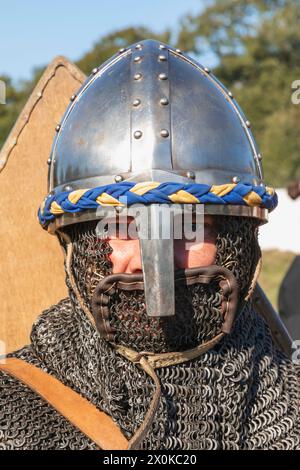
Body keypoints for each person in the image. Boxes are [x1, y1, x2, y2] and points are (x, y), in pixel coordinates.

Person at [0, 39, 299, 450]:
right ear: (76, 247)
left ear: (240, 244)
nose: (151, 261)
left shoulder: (289, 405)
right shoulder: (12, 411)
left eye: (192, 226)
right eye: (121, 227)